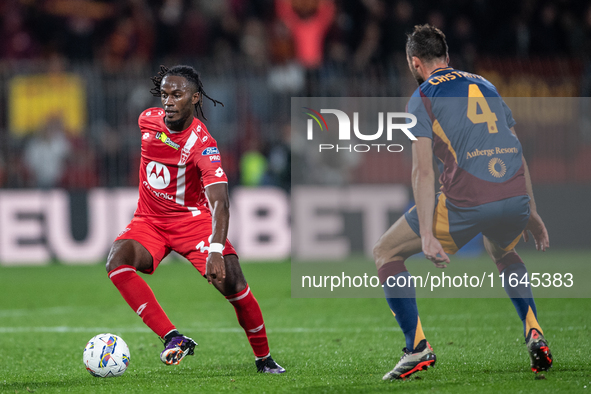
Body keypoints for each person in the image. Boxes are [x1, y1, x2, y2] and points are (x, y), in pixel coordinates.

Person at [373, 25, 552, 380]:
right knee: (501, 249)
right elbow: (515, 147)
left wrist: (427, 234)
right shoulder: (486, 84)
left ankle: (417, 347)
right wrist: (530, 208)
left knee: (386, 252)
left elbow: (423, 172)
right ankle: (534, 329)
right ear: (447, 57)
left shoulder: (421, 96)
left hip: (468, 198)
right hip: (513, 191)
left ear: (415, 63)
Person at [105, 65, 285, 374]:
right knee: (116, 262)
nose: (169, 101)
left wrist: (215, 250)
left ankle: (264, 359)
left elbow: (221, 203)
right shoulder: (147, 121)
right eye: (165, 94)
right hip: (149, 219)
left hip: (192, 222)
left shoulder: (203, 144)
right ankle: (174, 338)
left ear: (195, 98)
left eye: (177, 95)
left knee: (234, 285)